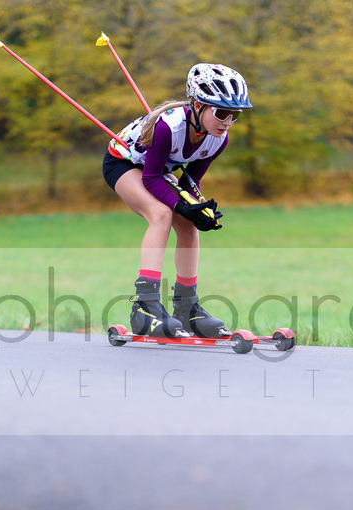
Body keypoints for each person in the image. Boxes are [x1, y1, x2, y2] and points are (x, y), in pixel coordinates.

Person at [102, 63, 252, 338]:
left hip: (159, 170)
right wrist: (182, 206)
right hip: (124, 163)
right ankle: (145, 306)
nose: (228, 122)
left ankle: (186, 307)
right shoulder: (168, 127)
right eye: (222, 113)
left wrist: (198, 209)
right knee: (160, 214)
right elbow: (150, 179)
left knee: (188, 223)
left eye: (235, 115)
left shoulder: (219, 139)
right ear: (199, 105)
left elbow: (189, 183)